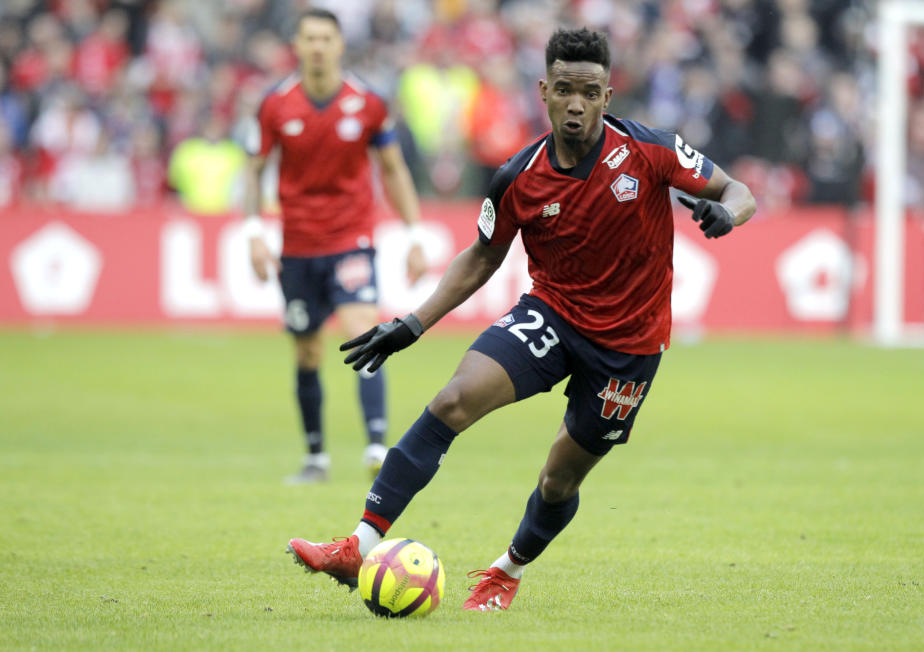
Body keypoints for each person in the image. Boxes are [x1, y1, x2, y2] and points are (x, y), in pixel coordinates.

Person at [286, 27, 756, 610]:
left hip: (630, 347)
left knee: (560, 479)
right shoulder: (518, 176)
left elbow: (739, 190)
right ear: (544, 91)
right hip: (552, 315)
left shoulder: (651, 151)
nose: (576, 104)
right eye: (565, 90)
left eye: (590, 91)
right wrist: (412, 323)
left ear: (608, 96)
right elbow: (483, 255)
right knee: (453, 399)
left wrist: (724, 213)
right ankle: (360, 543)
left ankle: (506, 571)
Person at [244, 9, 426, 483]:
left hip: (352, 239)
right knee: (307, 353)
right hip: (299, 245)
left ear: (340, 45)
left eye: (327, 38)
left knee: (363, 329)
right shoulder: (275, 105)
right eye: (311, 38)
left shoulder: (368, 102)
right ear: (298, 46)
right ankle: (316, 458)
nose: (319, 46)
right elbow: (254, 169)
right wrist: (254, 234)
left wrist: (413, 235)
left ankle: (376, 447)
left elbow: (392, 170)